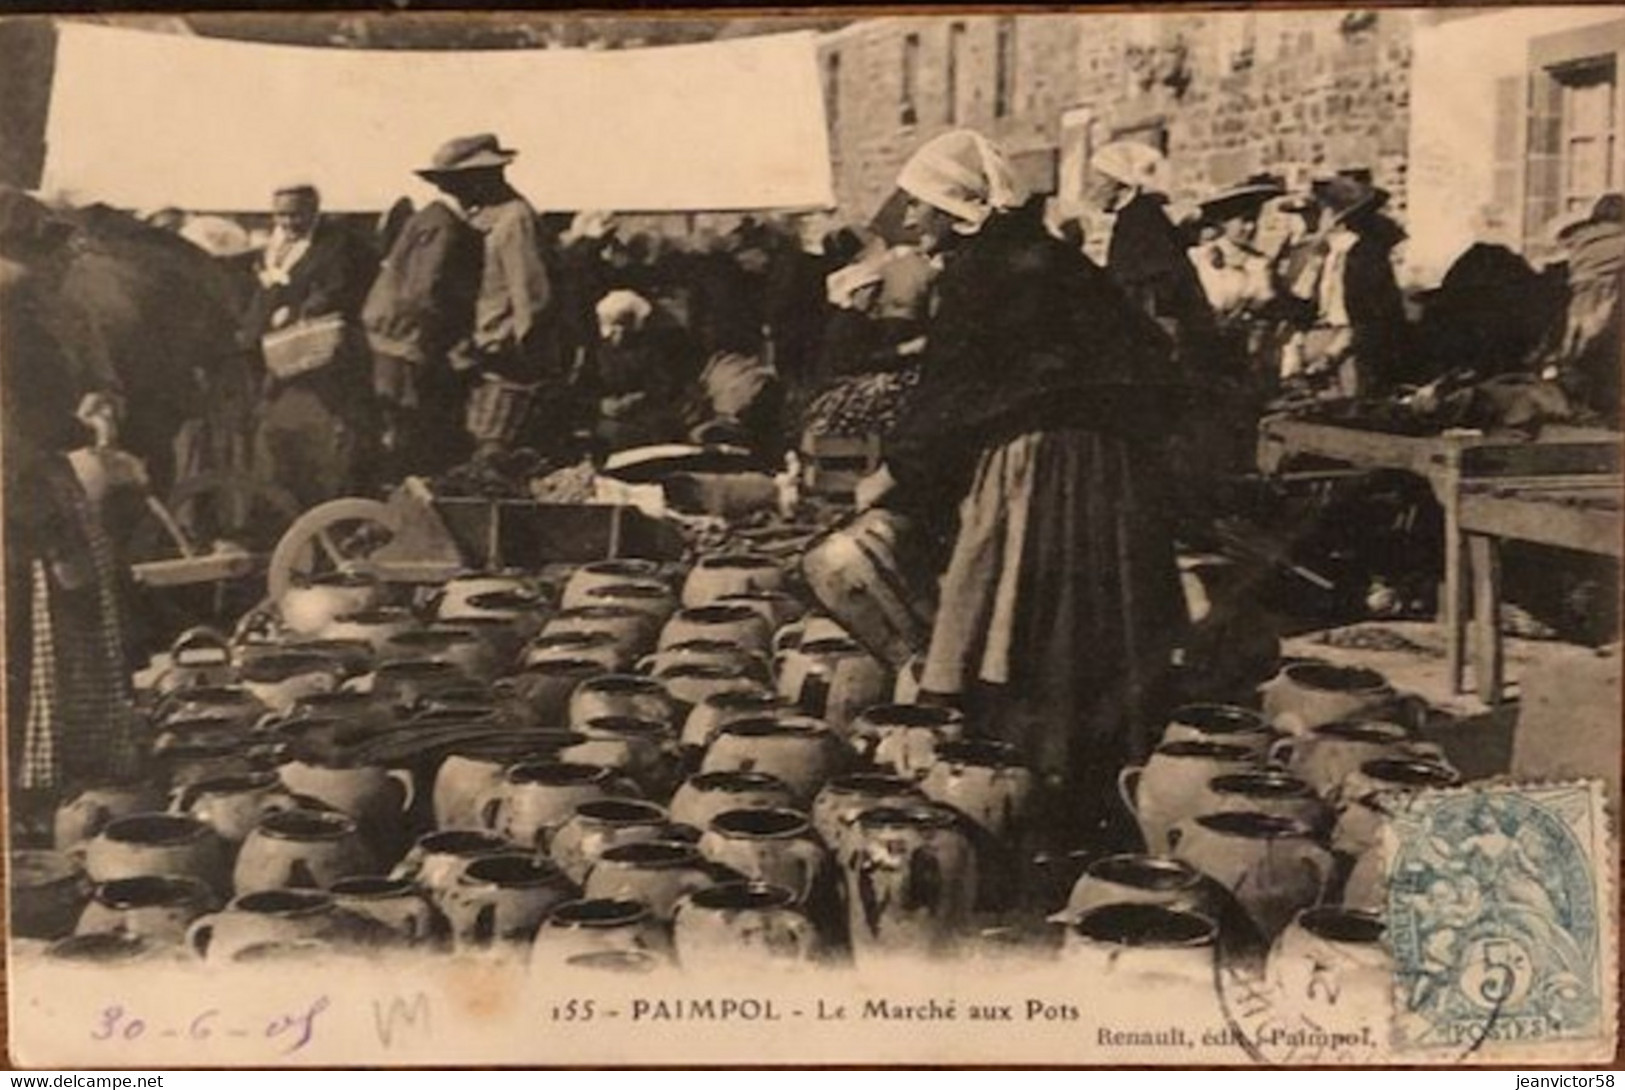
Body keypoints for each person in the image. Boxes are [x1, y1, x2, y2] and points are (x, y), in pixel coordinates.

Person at [852, 130, 1190, 861]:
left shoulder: (981, 273)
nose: (911, 221)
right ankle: (1100, 773)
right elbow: (1138, 350)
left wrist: (896, 470)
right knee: (1095, 614)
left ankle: (1028, 779)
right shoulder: (1050, 256)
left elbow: (955, 388)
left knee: (1019, 606)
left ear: (953, 207)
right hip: (1113, 463)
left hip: (1039, 465)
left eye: (920, 205)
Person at [0, 188, 142, 834]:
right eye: (42, 249)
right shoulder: (13, 304)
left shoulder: (43, 306)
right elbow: (20, 425)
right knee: (29, 632)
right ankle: (27, 791)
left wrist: (96, 406)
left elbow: (79, 385)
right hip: (24, 491)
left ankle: (34, 779)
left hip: (38, 479)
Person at [413, 134, 565, 458]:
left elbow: (532, 298)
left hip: (503, 363)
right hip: (474, 359)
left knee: (492, 454)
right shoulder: (480, 218)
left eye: (455, 182)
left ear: (482, 178)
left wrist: (522, 358)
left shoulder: (515, 220)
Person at [246, 183, 377, 508]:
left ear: (314, 211)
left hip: (319, 357)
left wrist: (298, 311)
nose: (288, 222)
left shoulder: (337, 245)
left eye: (296, 215)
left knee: (322, 433)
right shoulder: (274, 244)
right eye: (281, 215)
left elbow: (337, 291)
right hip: (276, 352)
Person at [361, 185, 485, 478]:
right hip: (407, 340)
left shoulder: (431, 218)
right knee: (409, 429)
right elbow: (425, 288)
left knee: (400, 427)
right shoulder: (444, 225)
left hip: (395, 337)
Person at [1090, 140, 1217, 375]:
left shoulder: (1143, 220)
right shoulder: (1129, 218)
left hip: (1158, 340)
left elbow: (1159, 282)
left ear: (1119, 185)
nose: (1091, 190)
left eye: (1097, 182)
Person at [1301, 171, 1410, 397]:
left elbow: (1371, 314)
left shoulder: (1364, 256)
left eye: (1321, 214)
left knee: (1347, 407)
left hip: (1353, 350)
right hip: (1322, 341)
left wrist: (1334, 352)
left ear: (1337, 220)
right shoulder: (1325, 253)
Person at [590, 289, 698, 452]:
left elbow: (663, 385)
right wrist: (600, 403)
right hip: (608, 413)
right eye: (614, 326)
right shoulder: (596, 352)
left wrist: (637, 399)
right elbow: (585, 386)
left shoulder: (651, 350)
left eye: (624, 325)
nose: (619, 333)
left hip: (645, 410)